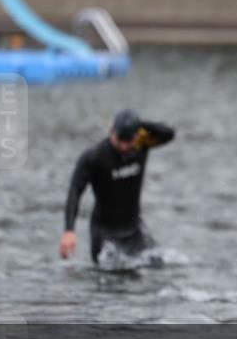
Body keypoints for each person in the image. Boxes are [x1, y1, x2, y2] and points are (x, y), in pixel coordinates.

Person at [60, 109, 175, 267]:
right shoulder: (95, 157)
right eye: (120, 139)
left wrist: (138, 123)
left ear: (137, 136)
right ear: (111, 130)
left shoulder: (142, 145)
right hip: (105, 235)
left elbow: (169, 134)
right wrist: (69, 230)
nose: (123, 145)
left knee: (158, 266)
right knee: (110, 284)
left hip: (134, 231)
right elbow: (75, 191)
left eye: (129, 140)